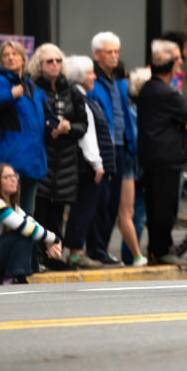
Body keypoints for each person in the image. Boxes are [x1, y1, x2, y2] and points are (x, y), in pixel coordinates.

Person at [136, 40, 187, 265]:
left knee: (154, 206)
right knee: (165, 208)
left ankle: (155, 250)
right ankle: (163, 250)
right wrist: (180, 122)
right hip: (168, 158)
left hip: (150, 157)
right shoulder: (168, 93)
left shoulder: (146, 90)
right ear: (171, 69)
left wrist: (176, 120)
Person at [87, 31, 144, 267]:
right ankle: (96, 249)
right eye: (109, 52)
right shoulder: (93, 80)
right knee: (102, 200)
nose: (114, 56)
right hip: (103, 147)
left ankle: (103, 249)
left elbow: (124, 115)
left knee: (113, 205)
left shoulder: (119, 80)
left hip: (122, 146)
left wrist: (131, 143)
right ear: (97, 54)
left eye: (116, 52)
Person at [29, 43, 89, 259]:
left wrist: (69, 127)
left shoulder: (71, 89)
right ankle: (37, 255)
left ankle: (55, 255)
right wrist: (49, 128)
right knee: (39, 210)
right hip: (43, 157)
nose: (55, 65)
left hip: (66, 162)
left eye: (58, 61)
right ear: (39, 65)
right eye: (49, 61)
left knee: (57, 214)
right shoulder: (34, 88)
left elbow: (83, 124)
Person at [0, 164, 63, 284]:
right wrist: (54, 239)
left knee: (29, 231)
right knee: (23, 233)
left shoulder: (10, 205)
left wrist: (49, 241)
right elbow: (24, 227)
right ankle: (14, 277)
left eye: (14, 176)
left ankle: (24, 272)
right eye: (7, 177)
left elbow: (31, 222)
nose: (13, 180)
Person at [0, 40, 48, 216]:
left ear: (23, 59)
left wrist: (56, 125)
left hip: (33, 159)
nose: (10, 58)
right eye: (5, 55)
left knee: (27, 214)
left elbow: (47, 115)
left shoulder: (32, 86)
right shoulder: (0, 81)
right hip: (11, 159)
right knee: (9, 214)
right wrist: (10, 94)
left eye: (14, 54)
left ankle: (24, 245)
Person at [61, 55, 106, 269]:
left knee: (82, 208)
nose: (94, 76)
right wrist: (97, 164)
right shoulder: (81, 99)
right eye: (90, 73)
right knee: (83, 208)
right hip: (85, 165)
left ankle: (75, 250)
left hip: (80, 163)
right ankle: (76, 252)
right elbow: (87, 136)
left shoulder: (80, 96)